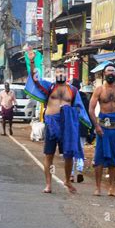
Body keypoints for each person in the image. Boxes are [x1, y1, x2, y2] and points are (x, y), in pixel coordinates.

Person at [26, 50, 91, 194]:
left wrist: (71, 113)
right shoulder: (49, 87)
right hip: (51, 124)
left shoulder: (73, 91)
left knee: (68, 155)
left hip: (66, 126)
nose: (60, 74)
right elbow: (35, 79)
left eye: (63, 72)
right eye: (58, 72)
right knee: (48, 155)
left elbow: (79, 109)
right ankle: (48, 184)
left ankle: (67, 180)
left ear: (67, 75)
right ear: (55, 74)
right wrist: (32, 61)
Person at [88, 64, 115, 197]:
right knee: (99, 158)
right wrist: (96, 126)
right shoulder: (99, 90)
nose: (111, 74)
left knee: (113, 158)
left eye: (113, 71)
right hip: (102, 127)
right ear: (104, 74)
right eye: (108, 71)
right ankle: (97, 188)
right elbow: (91, 109)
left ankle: (112, 188)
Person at [70, 78, 95, 183]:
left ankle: (71, 174)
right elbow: (90, 115)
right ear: (80, 87)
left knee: (71, 151)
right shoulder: (85, 99)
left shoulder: (69, 98)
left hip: (71, 127)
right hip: (83, 128)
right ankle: (79, 170)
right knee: (80, 149)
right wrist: (92, 129)